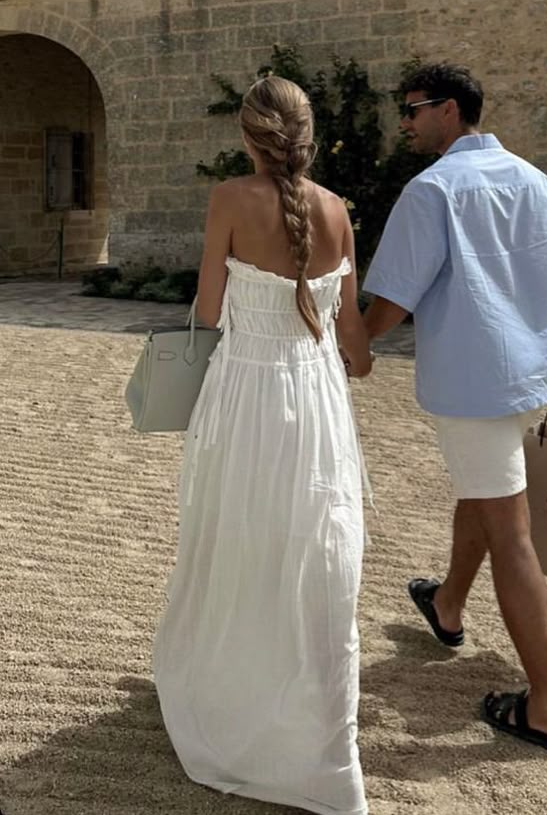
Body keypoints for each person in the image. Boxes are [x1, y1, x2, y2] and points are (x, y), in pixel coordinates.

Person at [154, 75, 372, 815]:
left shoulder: (227, 202)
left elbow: (209, 311)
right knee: (315, 553)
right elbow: (356, 344)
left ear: (248, 136)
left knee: (238, 542)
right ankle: (317, 745)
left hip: (246, 392)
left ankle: (238, 709)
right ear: (307, 134)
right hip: (316, 401)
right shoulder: (339, 211)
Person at [362, 62, 547, 757]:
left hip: (475, 387)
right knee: (486, 496)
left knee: (510, 531)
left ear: (450, 111)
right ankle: (448, 603)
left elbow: (392, 301)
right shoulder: (540, 183)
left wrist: (351, 345)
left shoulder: (432, 190)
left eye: (413, 109)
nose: (405, 121)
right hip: (529, 380)